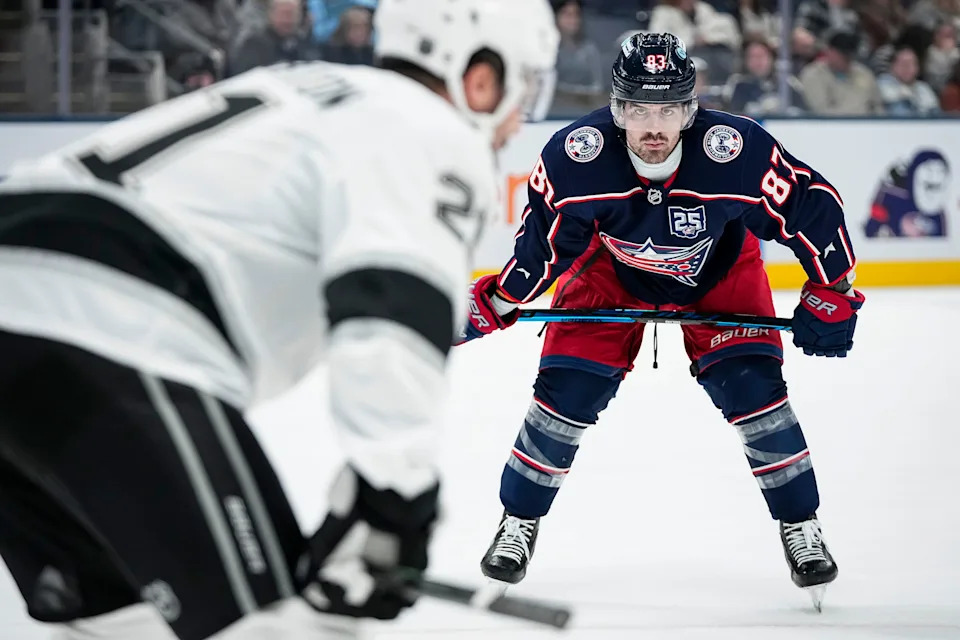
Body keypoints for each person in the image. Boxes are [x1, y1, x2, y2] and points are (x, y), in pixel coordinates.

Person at [0, 1, 559, 639]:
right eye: (527, 85)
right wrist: (395, 502)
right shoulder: (429, 129)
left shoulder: (304, 88)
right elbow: (389, 317)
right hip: (108, 322)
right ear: (478, 77)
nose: (521, 118)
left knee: (119, 622)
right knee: (278, 628)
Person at [458, 33, 863, 609]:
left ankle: (801, 526)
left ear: (690, 110)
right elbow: (545, 248)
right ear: (617, 110)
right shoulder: (577, 157)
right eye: (640, 110)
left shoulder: (735, 151)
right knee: (565, 394)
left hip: (720, 270)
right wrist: (499, 300)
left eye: (669, 109)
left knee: (755, 395)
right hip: (609, 272)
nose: (654, 126)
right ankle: (518, 521)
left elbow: (811, 208)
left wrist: (835, 288)